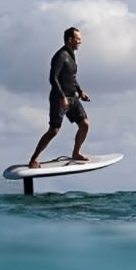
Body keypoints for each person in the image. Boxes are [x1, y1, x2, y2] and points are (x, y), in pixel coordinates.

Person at [27, 27, 91, 168]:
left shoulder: (72, 55)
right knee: (54, 130)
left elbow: (71, 78)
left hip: (72, 97)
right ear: (70, 39)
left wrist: (80, 91)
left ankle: (76, 152)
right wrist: (62, 97)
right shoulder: (61, 56)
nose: (80, 41)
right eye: (78, 39)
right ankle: (33, 159)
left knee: (85, 124)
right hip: (59, 98)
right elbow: (53, 78)